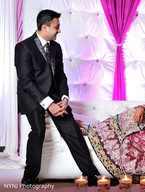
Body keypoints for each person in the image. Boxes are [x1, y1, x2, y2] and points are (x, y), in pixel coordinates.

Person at [14, 9, 100, 187]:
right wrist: (48, 104)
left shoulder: (56, 48)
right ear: (45, 27)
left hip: (54, 95)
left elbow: (60, 76)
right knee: (38, 130)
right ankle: (29, 176)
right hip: (31, 95)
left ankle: (91, 173)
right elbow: (26, 81)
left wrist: (64, 99)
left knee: (72, 129)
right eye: (57, 27)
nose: (59, 31)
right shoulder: (23, 47)